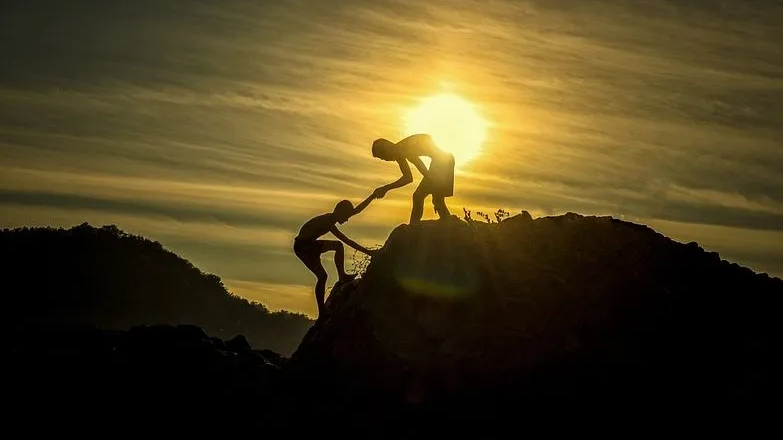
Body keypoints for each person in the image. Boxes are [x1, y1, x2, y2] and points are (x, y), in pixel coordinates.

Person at [294, 195, 376, 319]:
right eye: (346, 216)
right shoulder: (328, 222)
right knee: (322, 276)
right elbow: (346, 240)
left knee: (337, 246)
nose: (347, 220)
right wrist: (368, 252)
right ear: (341, 213)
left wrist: (373, 196)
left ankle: (342, 276)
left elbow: (357, 210)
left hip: (310, 244)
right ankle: (322, 311)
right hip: (303, 247)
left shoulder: (332, 218)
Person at [371, 133, 456, 224]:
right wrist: (385, 188)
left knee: (420, 196)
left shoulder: (402, 149)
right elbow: (408, 177)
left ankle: (414, 226)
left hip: (443, 162)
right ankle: (445, 223)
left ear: (387, 149)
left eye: (383, 157)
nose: (385, 159)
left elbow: (414, 174)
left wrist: (385, 188)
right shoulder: (400, 151)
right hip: (443, 161)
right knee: (435, 200)